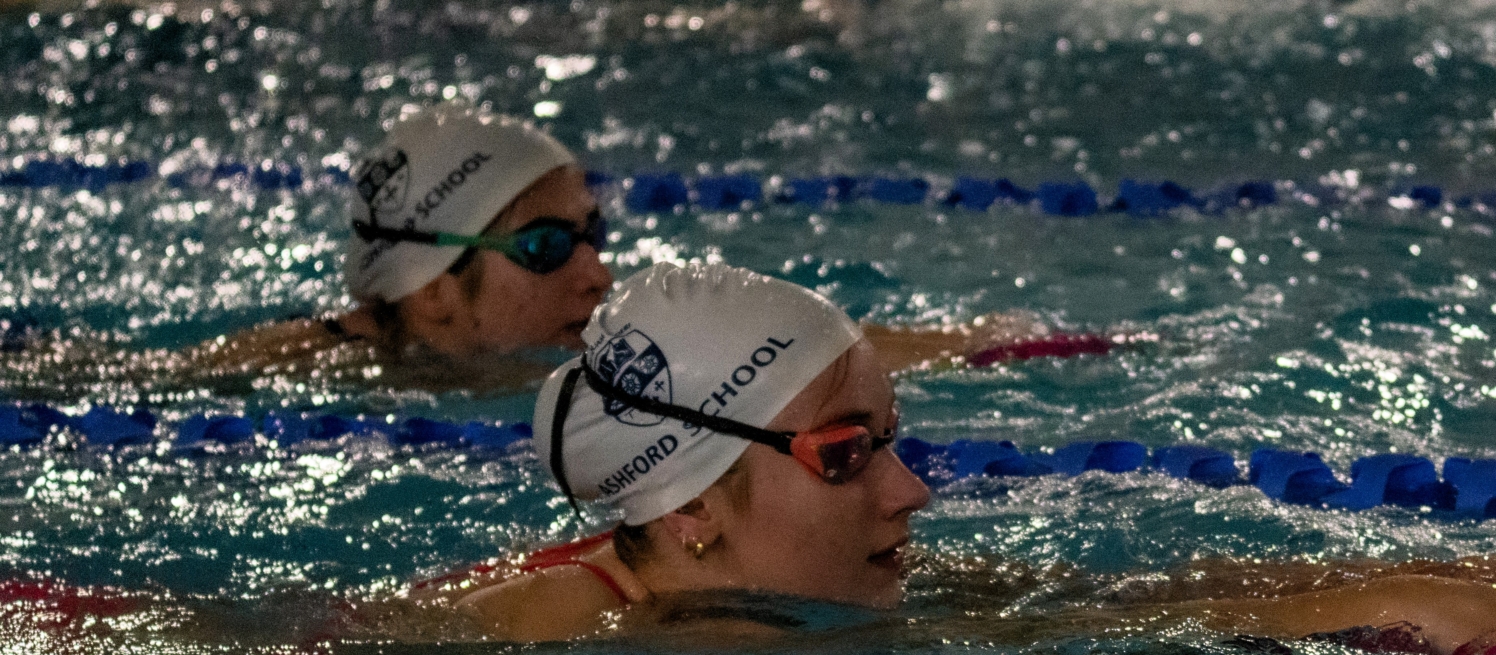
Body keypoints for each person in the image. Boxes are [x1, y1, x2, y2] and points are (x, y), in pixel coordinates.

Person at [433, 260, 1496, 655]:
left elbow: (1092, 605)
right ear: (696, 507)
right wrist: (1368, 617)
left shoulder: (724, 578)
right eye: (847, 457)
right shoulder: (625, 640)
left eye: (893, 445)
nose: (911, 487)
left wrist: (1479, 567)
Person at [1, 106, 1109, 399]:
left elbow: (799, 359)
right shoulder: (294, 374)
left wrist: (987, 346)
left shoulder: (605, 354)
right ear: (429, 290)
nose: (591, 273)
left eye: (591, 236)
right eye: (542, 246)